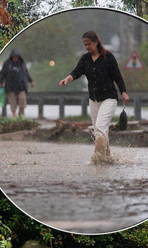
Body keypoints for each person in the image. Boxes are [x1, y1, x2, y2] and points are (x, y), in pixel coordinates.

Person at [59, 30, 129, 162]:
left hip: (109, 97)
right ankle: (108, 158)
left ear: (96, 42)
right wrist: (66, 80)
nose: (87, 47)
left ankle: (97, 158)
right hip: (94, 99)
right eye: (85, 44)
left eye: (89, 44)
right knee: (99, 131)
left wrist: (123, 92)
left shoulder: (108, 57)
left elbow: (117, 76)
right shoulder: (85, 59)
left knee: (101, 128)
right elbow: (76, 72)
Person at [0, 48, 33, 119]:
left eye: (17, 57)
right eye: (14, 57)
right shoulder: (7, 63)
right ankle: (14, 115)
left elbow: (26, 73)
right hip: (10, 86)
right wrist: (1, 82)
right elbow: (2, 73)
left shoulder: (22, 63)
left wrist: (31, 81)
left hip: (21, 86)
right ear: (11, 57)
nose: (15, 58)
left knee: (22, 99)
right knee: (12, 101)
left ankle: (20, 112)